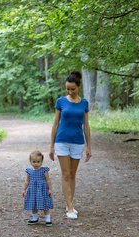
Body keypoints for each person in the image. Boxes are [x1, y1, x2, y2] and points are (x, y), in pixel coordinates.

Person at [49, 70, 91, 219]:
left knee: (73, 174)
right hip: (62, 141)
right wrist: (52, 146)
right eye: (67, 88)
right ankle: (70, 208)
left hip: (77, 142)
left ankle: (69, 203)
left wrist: (89, 147)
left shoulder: (84, 103)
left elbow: (86, 126)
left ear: (79, 87)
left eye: (73, 89)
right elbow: (55, 124)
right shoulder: (61, 101)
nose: (70, 91)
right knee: (65, 174)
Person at [22, 150, 54, 226]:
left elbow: (48, 180)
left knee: (45, 204)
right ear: (30, 161)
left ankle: (48, 219)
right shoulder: (29, 171)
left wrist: (50, 189)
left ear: (41, 161)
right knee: (34, 204)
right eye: (34, 162)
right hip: (33, 190)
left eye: (38, 162)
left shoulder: (44, 170)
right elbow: (27, 181)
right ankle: (34, 218)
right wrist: (24, 189)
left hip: (42, 190)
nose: (36, 164)